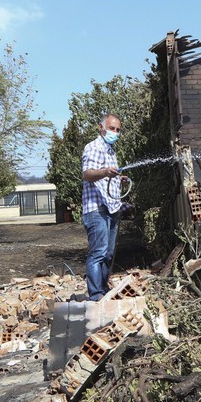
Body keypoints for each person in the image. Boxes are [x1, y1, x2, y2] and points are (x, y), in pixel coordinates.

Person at [79, 114, 127, 301]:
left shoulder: (110, 151)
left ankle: (103, 289)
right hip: (96, 208)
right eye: (112, 128)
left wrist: (118, 178)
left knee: (108, 253)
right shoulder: (93, 147)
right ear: (101, 127)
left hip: (111, 207)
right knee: (98, 253)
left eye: (117, 130)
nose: (115, 132)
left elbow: (108, 176)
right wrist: (106, 172)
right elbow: (88, 174)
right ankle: (95, 294)